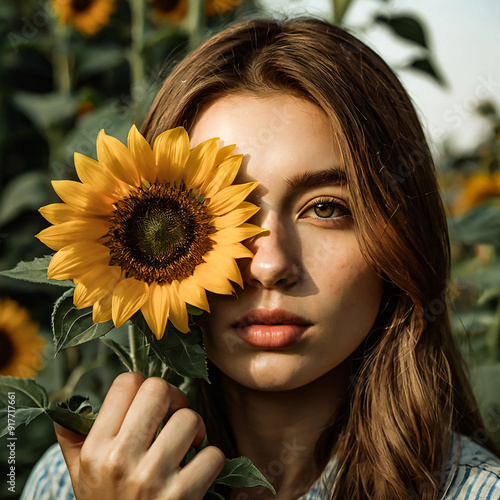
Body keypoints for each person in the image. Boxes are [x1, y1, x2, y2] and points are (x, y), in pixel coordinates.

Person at [22, 17, 500, 500]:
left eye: (326, 208)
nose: (269, 265)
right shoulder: (66, 480)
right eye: (229, 214)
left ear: (399, 237)